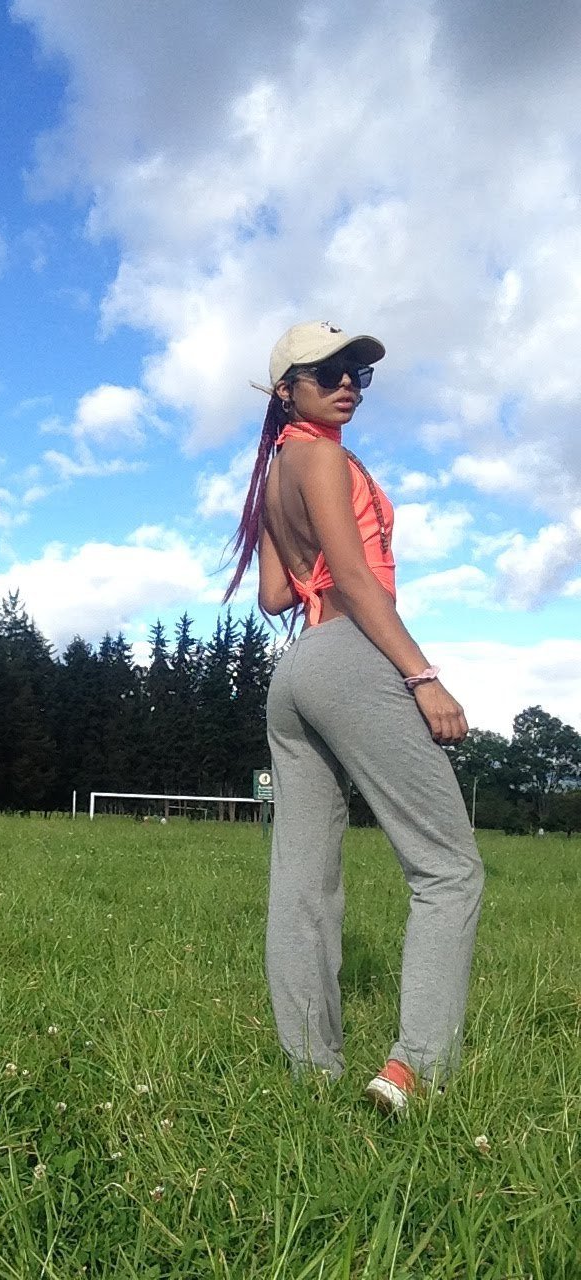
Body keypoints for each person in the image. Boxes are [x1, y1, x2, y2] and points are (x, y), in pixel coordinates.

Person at [224, 321, 484, 1113]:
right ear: (285, 390)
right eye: (327, 372)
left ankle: (312, 1075)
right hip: (349, 657)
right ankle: (415, 1071)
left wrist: (302, 549)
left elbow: (275, 595)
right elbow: (358, 579)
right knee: (448, 869)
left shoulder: (276, 469)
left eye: (357, 375)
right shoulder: (324, 457)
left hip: (297, 671)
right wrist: (423, 677)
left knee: (301, 882)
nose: (347, 384)